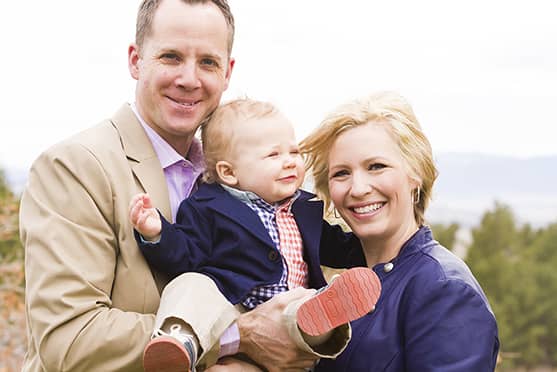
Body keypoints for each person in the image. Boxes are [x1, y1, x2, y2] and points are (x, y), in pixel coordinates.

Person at [19, 1, 322, 371]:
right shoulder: (73, 167)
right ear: (135, 60)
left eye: (207, 62)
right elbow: (70, 339)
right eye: (171, 57)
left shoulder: (240, 177)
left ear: (227, 73)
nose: (189, 79)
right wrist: (238, 335)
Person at [130, 98, 382, 371]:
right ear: (229, 172)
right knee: (192, 284)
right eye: (274, 155)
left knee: (306, 305)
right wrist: (157, 233)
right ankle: (182, 341)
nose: (290, 163)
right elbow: (186, 254)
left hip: (289, 314)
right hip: (232, 309)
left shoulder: (302, 209)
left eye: (294, 152)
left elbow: (339, 245)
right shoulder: (209, 207)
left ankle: (327, 313)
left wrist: (376, 243)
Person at [300, 91, 500, 371]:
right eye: (341, 173)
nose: (358, 188)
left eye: (376, 166)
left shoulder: (445, 290)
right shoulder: (339, 282)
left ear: (414, 175)